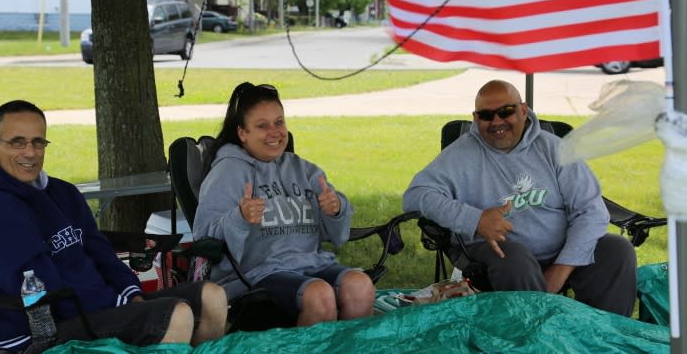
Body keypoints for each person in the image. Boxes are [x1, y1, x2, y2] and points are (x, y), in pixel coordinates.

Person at [0, 100, 227, 352]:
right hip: (41, 329)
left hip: (93, 306)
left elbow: (100, 251)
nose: (30, 153)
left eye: (38, 142)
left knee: (211, 297)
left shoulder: (62, 193)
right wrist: (118, 305)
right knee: (175, 315)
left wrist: (131, 295)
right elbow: (39, 287)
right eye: (17, 142)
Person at [403, 80, 637, 316]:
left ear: (523, 110)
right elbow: (416, 195)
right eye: (486, 115)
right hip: (498, 255)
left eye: (506, 111)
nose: (496, 122)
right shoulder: (460, 155)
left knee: (617, 250)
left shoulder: (555, 149)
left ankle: (603, 337)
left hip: (562, 253)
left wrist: (560, 270)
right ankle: (535, 339)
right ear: (475, 118)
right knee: (513, 257)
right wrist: (475, 220)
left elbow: (592, 211)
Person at [193, 82, 375, 327]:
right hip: (255, 274)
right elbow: (204, 238)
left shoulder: (302, 169)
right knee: (319, 295)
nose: (274, 132)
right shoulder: (227, 172)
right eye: (262, 125)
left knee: (361, 285)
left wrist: (335, 210)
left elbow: (335, 234)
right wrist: (240, 218)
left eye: (279, 122)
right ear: (242, 133)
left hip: (311, 263)